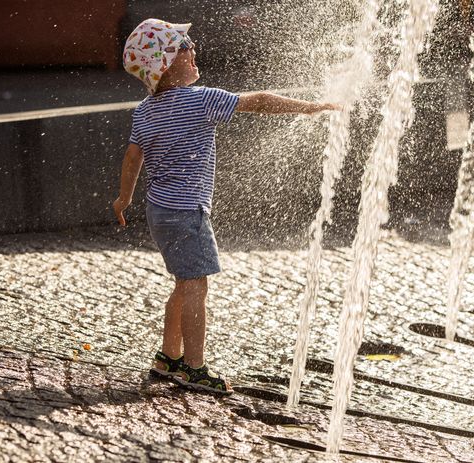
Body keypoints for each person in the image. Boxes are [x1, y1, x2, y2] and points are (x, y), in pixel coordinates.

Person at [113, 18, 339, 394]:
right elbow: (259, 101)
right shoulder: (201, 99)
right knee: (196, 285)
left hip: (159, 211)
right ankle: (194, 367)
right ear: (168, 62)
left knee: (182, 283)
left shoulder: (144, 111)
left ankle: (168, 356)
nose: (194, 47)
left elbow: (132, 155)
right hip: (188, 213)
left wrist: (124, 198)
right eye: (185, 44)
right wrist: (310, 107)